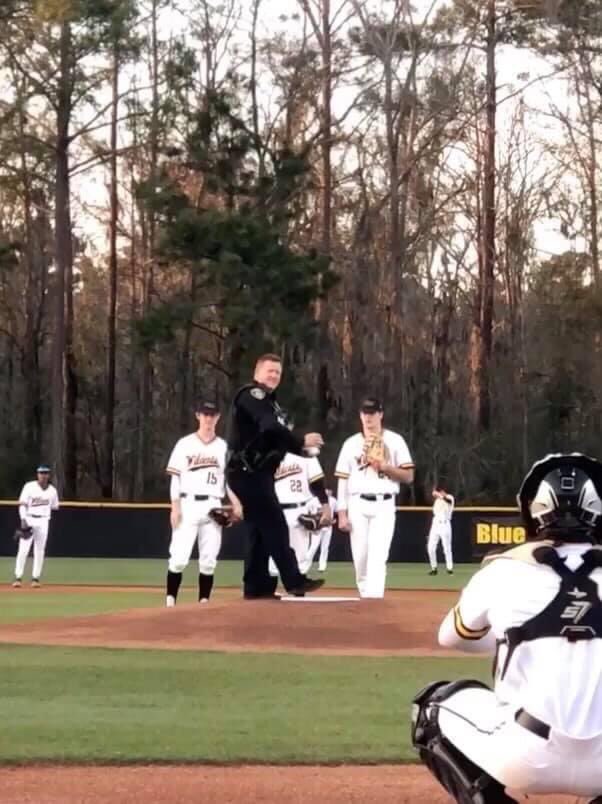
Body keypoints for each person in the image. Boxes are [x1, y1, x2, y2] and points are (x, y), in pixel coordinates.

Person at [411, 452, 602, 803]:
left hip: (526, 755)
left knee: (430, 709)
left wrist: (512, 634)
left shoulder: (504, 571)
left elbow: (450, 636)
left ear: (534, 512)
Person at [226, 353, 325, 599]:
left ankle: (256, 586)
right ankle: (294, 580)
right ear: (257, 373)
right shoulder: (251, 395)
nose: (274, 376)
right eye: (269, 371)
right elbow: (269, 426)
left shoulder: (272, 404)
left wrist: (300, 448)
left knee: (258, 531)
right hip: (247, 472)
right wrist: (301, 440)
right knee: (275, 525)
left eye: (278, 373)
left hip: (258, 473)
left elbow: (276, 438)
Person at [334, 397, 414, 598]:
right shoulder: (351, 444)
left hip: (384, 503)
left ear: (381, 414)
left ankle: (373, 601)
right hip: (357, 503)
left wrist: (385, 467)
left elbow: (409, 476)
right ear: (360, 415)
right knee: (360, 558)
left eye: (372, 413)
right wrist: (341, 513)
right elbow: (343, 481)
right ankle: (366, 599)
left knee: (378, 556)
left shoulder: (395, 441)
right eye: (365, 413)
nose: (368, 417)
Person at [164, 400, 241, 607]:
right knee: (179, 558)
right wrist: (175, 506)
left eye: (212, 415)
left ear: (218, 418)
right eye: (205, 414)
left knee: (208, 561)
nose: (208, 419)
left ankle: (204, 604)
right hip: (188, 503)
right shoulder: (184, 444)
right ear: (198, 416)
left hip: (213, 506)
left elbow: (228, 481)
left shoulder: (223, 447)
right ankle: (170, 602)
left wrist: (236, 503)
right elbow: (175, 478)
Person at [268, 452, 330, 577]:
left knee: (300, 558)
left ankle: (298, 591)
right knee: (271, 559)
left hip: (299, 509)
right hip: (273, 510)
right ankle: (269, 591)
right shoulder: (265, 452)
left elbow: (317, 483)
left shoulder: (306, 453)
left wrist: (325, 505)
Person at [12, 465, 59, 588]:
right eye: (41, 473)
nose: (43, 475)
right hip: (29, 518)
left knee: (40, 550)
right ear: (37, 474)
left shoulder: (52, 490)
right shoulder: (29, 487)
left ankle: (35, 578)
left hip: (44, 521)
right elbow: (22, 504)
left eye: (45, 473)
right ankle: (18, 577)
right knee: (23, 549)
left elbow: (55, 506)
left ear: (48, 475)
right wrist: (23, 519)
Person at [306, 488, 338, 573]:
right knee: (313, 546)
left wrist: (335, 519)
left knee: (325, 547)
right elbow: (306, 510)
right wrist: (310, 521)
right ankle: (305, 565)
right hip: (317, 527)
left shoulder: (333, 500)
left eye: (330, 490)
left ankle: (322, 566)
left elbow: (337, 511)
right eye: (326, 490)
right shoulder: (313, 500)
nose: (328, 492)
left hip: (328, 527)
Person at [426, 485, 455, 575]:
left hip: (444, 524)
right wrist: (437, 496)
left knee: (446, 548)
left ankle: (449, 569)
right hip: (435, 525)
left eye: (438, 491)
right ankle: (434, 568)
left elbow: (449, 501)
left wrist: (439, 495)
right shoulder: (437, 500)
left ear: (442, 491)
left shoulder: (449, 497)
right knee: (430, 547)